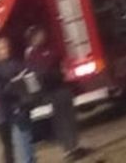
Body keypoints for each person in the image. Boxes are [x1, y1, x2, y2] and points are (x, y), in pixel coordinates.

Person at [26, 25, 88, 160]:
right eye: (38, 35)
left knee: (70, 118)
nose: (41, 36)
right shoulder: (32, 54)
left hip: (62, 88)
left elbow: (59, 59)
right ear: (32, 38)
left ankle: (75, 146)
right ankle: (68, 149)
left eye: (41, 33)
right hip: (51, 91)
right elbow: (40, 71)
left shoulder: (49, 48)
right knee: (61, 121)